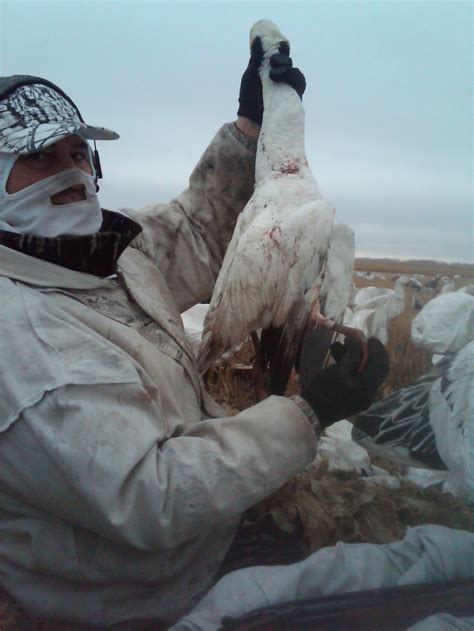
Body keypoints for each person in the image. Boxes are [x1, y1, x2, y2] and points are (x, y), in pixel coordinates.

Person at [0, 41, 388, 629]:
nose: (73, 173)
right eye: (41, 158)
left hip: (195, 536)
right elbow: (153, 497)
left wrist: (250, 129)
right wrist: (308, 412)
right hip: (142, 590)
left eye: (80, 153)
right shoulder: (26, 341)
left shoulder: (95, 254)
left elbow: (199, 233)